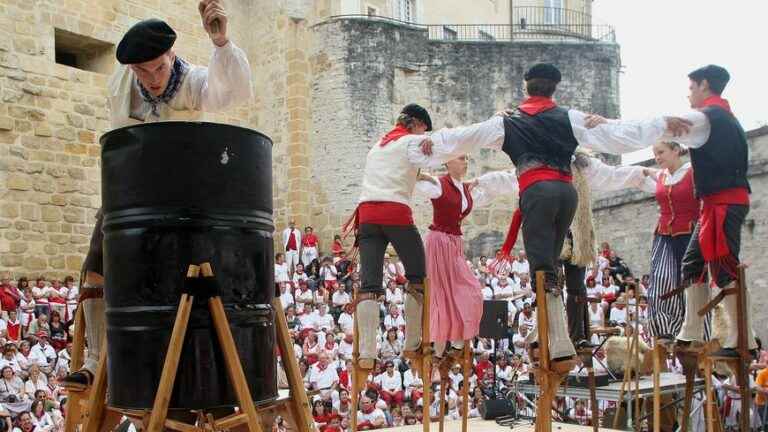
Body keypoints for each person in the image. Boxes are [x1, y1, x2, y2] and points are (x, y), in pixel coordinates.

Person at [62, 0, 253, 390]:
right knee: (95, 267)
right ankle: (98, 363)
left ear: (172, 56)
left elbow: (230, 93)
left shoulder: (193, 81)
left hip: (183, 199)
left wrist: (221, 44)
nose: (151, 79)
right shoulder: (122, 83)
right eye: (142, 71)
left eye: (159, 68)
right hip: (129, 195)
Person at [581, 65, 755, 357]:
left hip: (723, 204)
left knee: (724, 269)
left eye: (690, 88)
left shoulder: (704, 118)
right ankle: (691, 330)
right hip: (716, 205)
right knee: (692, 264)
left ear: (704, 85)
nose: (688, 94)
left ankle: (742, 340)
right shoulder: (724, 119)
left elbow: (653, 127)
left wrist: (608, 124)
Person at [342, 103, 479, 375]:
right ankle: (413, 341)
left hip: (367, 216)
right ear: (416, 124)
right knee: (419, 276)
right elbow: (446, 144)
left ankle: (368, 352)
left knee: (369, 284)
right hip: (395, 213)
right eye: (423, 129)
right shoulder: (411, 142)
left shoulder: (377, 146)